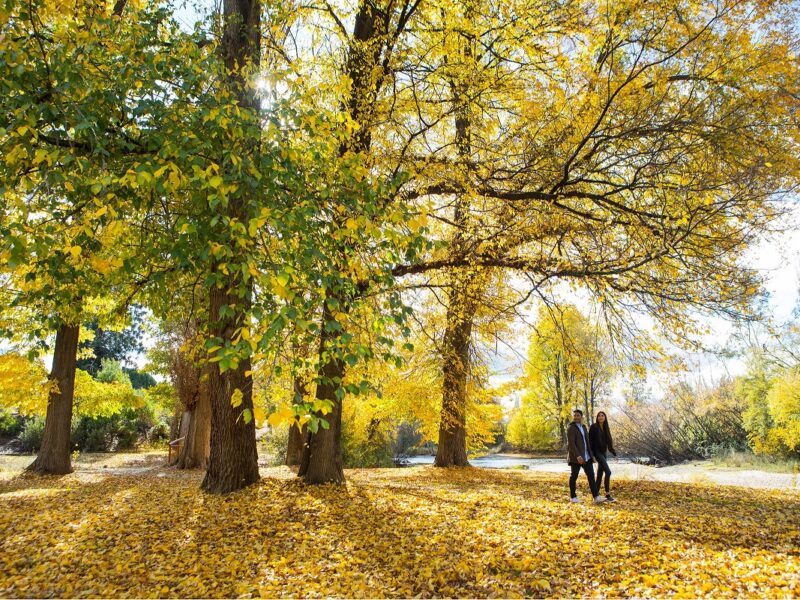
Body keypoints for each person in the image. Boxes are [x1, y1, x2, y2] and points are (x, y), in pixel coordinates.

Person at [567, 409, 606, 504]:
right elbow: (571, 444)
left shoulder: (584, 427)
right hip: (576, 458)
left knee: (591, 476)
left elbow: (587, 442)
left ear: (581, 417)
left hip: (587, 457)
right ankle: (573, 497)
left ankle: (596, 497)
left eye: (578, 415)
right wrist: (578, 456)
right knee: (574, 476)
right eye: (575, 415)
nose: (576, 417)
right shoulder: (571, 428)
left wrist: (591, 455)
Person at [589, 411, 617, 502]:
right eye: (599, 416)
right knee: (608, 472)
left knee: (600, 474)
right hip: (597, 452)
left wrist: (613, 452)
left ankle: (595, 497)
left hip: (604, 452)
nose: (600, 417)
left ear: (605, 417)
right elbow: (590, 441)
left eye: (602, 416)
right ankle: (608, 494)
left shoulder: (605, 428)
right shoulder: (594, 427)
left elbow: (609, 441)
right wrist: (592, 455)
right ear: (597, 418)